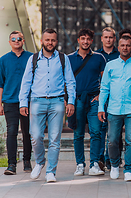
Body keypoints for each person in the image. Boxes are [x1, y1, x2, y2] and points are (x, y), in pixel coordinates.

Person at [19, 28, 76, 182]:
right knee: (35, 136)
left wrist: (70, 101)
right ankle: (39, 162)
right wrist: (23, 102)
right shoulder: (33, 59)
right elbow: (26, 82)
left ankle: (51, 171)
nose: (50, 43)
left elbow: (70, 82)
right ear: (42, 41)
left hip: (57, 102)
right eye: (47, 40)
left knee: (54, 139)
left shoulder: (63, 59)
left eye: (53, 40)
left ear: (56, 41)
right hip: (37, 101)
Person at [98, 34, 131, 181]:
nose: (125, 48)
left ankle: (129, 170)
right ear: (118, 47)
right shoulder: (110, 65)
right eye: (122, 45)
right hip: (113, 109)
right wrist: (101, 107)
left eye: (128, 45)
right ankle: (114, 164)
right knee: (113, 140)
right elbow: (105, 88)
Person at [68, 28, 106, 176]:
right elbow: (65, 81)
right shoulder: (70, 58)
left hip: (94, 99)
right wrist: (68, 101)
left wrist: (101, 95)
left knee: (96, 132)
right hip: (76, 100)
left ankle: (94, 164)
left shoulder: (99, 58)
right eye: (82, 38)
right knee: (78, 134)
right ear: (78, 40)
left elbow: (106, 80)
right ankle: (80, 164)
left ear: (92, 41)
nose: (85, 41)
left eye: (88, 39)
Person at [0, 31, 32, 175]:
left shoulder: (32, 57)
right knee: (11, 131)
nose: (16, 41)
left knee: (27, 132)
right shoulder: (3, 60)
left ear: (23, 41)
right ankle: (11, 164)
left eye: (19, 39)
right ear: (9, 42)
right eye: (13, 39)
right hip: (10, 101)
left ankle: (27, 161)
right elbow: (1, 83)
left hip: (28, 101)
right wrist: (0, 103)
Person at [96, 27, 120, 171]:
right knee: (100, 129)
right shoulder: (96, 55)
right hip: (101, 96)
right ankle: (100, 159)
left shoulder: (120, 55)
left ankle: (110, 158)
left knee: (113, 131)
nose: (108, 39)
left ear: (114, 39)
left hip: (117, 98)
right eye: (106, 37)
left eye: (111, 37)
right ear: (102, 39)